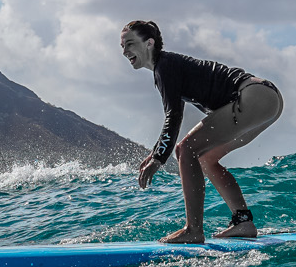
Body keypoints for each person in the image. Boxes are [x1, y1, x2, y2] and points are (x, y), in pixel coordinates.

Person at [120, 21, 284, 244]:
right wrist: (157, 151)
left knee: (185, 150)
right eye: (122, 46)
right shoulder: (167, 67)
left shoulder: (164, 65)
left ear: (149, 43)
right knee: (206, 159)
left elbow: (173, 117)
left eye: (129, 44)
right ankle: (243, 221)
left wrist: (159, 158)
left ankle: (193, 229)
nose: (125, 51)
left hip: (253, 96)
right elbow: (173, 117)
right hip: (267, 100)